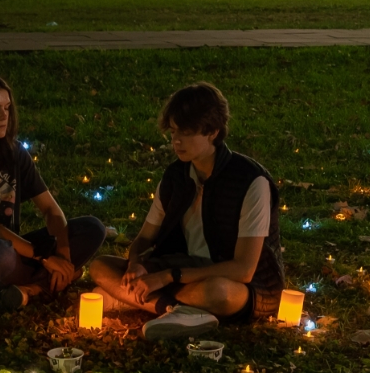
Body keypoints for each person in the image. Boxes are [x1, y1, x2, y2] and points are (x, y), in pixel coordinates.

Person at [87, 82, 285, 340]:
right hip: (181, 268)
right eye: (173, 132)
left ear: (213, 132)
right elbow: (145, 238)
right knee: (101, 267)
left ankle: (134, 298)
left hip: (239, 283)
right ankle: (173, 309)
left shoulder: (250, 180)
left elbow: (244, 269)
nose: (177, 141)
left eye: (187, 133)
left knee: (219, 294)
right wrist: (136, 264)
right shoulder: (175, 176)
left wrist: (167, 277)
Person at [0, 73, 106, 308]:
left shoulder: (14, 154)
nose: (4, 116)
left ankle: (30, 289)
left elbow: (51, 210)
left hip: (15, 251)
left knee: (91, 228)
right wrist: (45, 257)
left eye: (7, 108)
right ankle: (49, 281)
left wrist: (62, 253)